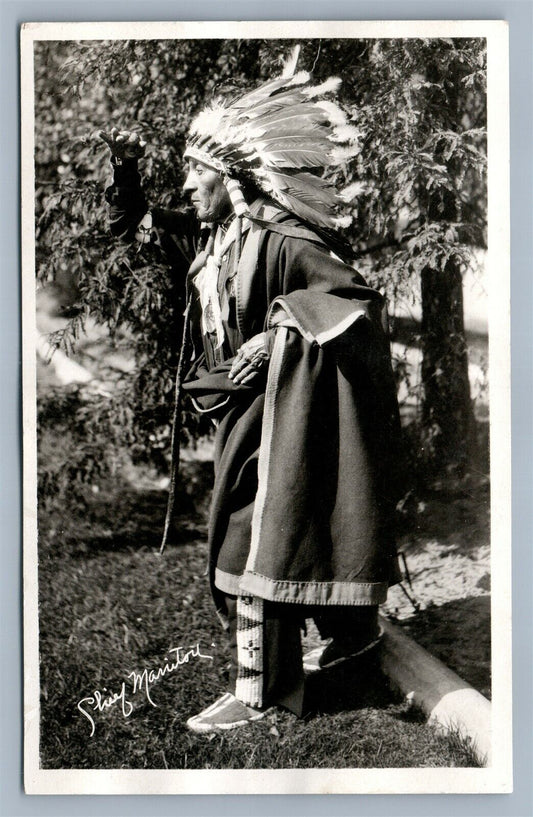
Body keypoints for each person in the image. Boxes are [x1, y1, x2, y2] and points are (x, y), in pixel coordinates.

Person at [100, 53, 402, 733]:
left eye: (194, 174)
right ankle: (351, 637)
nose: (186, 185)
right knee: (272, 529)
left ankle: (259, 691)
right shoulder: (209, 242)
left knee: (250, 539)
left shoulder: (282, 242)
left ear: (228, 179)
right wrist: (125, 170)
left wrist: (273, 335)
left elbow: (352, 300)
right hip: (244, 414)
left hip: (287, 413)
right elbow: (134, 228)